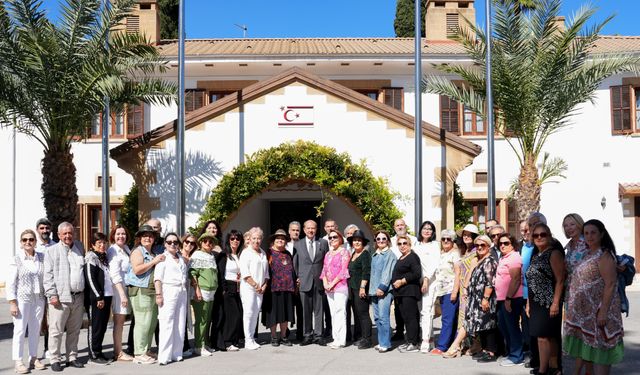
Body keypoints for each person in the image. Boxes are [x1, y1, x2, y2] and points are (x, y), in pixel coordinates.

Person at [564, 220, 624, 375]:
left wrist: (603, 312)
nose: (589, 236)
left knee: (601, 354)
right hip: (587, 315)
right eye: (586, 233)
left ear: (601, 234)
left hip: (599, 312)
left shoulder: (604, 255)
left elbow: (610, 284)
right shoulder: (588, 253)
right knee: (590, 351)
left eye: (593, 232)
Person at [43, 222, 86, 372]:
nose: (68, 236)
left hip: (78, 297)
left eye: (70, 233)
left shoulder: (80, 247)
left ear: (74, 234)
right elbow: (47, 276)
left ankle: (72, 357)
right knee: (56, 331)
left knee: (74, 330)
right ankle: (55, 359)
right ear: (59, 235)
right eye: (64, 233)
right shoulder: (51, 251)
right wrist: (52, 294)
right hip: (60, 298)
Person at [526, 223, 565, 375]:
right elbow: (532, 281)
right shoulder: (536, 255)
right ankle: (554, 369)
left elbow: (560, 279)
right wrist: (529, 303)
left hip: (549, 301)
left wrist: (556, 303)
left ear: (549, 236)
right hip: (536, 302)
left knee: (543, 337)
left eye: (543, 234)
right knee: (548, 337)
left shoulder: (554, 253)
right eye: (536, 235)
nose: (539, 238)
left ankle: (543, 370)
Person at [125, 224, 166, 365]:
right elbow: (137, 270)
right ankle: (139, 353)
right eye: (144, 236)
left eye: (150, 235)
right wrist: (154, 261)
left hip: (151, 291)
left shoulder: (153, 252)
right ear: (139, 238)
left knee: (151, 322)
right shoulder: (138, 251)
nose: (147, 238)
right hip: (140, 290)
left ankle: (146, 350)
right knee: (142, 322)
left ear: (154, 238)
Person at [8, 229, 46, 374]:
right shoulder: (16, 259)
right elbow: (11, 282)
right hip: (22, 298)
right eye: (25, 240)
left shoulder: (42, 257)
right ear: (21, 243)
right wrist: (12, 302)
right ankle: (18, 361)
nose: (28, 242)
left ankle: (33, 357)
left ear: (35, 242)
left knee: (35, 329)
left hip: (38, 298)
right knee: (19, 330)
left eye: (31, 239)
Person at [443, 223, 479, 358]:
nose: (466, 237)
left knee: (466, 318)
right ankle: (471, 345)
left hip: (469, 289)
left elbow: (471, 271)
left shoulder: (476, 251)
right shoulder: (465, 251)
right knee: (466, 317)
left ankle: (456, 346)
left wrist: (465, 289)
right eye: (465, 235)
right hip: (463, 288)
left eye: (470, 235)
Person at [154, 233, 188, 366]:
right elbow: (157, 278)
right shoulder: (163, 258)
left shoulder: (181, 258)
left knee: (180, 323)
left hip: (181, 291)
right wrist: (159, 295)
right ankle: (164, 356)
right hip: (168, 290)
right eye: (169, 242)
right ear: (165, 244)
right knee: (167, 322)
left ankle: (176, 353)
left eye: (175, 242)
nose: (172, 244)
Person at [294, 220, 329, 346]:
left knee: (319, 310)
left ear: (316, 229)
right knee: (305, 310)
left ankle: (318, 335)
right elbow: (295, 263)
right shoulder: (298, 244)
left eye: (313, 228)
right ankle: (307, 335)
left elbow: (327, 262)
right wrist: (297, 277)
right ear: (304, 230)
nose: (310, 230)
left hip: (319, 281)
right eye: (308, 228)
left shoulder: (323, 243)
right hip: (304, 281)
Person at [465, 235, 499, 363]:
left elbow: (490, 282)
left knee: (488, 324)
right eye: (477, 245)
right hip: (477, 298)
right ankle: (485, 350)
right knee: (482, 325)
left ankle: (491, 351)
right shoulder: (479, 260)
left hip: (486, 298)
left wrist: (485, 298)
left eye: (482, 245)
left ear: (488, 246)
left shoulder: (489, 261)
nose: (479, 247)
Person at [495, 233, 524, 367]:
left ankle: (516, 356)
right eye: (500, 243)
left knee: (512, 328)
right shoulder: (504, 257)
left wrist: (508, 298)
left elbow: (516, 279)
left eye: (506, 243)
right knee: (504, 327)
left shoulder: (514, 257)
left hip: (511, 298)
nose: (502, 245)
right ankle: (512, 353)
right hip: (502, 298)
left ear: (512, 244)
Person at [85, 232, 113, 365]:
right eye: (99, 243)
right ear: (93, 245)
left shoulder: (103, 257)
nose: (102, 245)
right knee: (95, 327)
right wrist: (98, 297)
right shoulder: (91, 258)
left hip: (107, 296)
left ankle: (99, 351)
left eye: (104, 242)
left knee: (102, 326)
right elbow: (91, 279)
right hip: (97, 298)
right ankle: (93, 355)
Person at [239, 227, 270, 350]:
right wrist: (256, 286)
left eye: (258, 238)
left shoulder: (262, 252)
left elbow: (266, 273)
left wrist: (264, 285)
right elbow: (245, 273)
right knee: (248, 313)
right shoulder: (246, 253)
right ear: (250, 239)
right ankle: (248, 340)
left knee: (255, 313)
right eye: (254, 238)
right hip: (249, 288)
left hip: (260, 289)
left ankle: (252, 338)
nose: (256, 241)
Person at [189, 232, 219, 356]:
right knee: (201, 320)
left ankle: (205, 343)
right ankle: (198, 346)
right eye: (205, 241)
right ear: (200, 243)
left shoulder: (211, 256)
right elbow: (192, 274)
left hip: (211, 292)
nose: (208, 243)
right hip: (202, 291)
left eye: (211, 241)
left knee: (207, 320)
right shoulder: (197, 255)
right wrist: (197, 290)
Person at [265, 229, 296, 347]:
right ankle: (273, 336)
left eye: (282, 239)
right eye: (278, 238)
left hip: (288, 289)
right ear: (273, 240)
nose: (280, 240)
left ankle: (283, 336)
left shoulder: (288, 254)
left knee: (286, 314)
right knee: (274, 314)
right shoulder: (269, 253)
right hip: (273, 289)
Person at [107, 225, 134, 362]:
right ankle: (118, 352)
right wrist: (122, 294)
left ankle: (119, 350)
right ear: (113, 235)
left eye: (123, 234)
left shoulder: (126, 249)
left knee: (122, 321)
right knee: (119, 321)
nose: (121, 236)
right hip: (118, 290)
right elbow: (114, 274)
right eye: (118, 234)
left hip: (126, 287)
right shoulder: (113, 250)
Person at [392, 234, 422, 353]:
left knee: (411, 318)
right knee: (405, 318)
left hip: (409, 292)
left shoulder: (413, 257)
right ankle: (409, 340)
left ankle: (414, 342)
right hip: (401, 293)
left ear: (410, 245)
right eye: (400, 244)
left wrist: (402, 281)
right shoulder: (401, 258)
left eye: (405, 243)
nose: (402, 246)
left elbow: (416, 273)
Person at [320, 230, 350, 349]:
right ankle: (335, 338)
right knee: (333, 313)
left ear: (340, 239)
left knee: (340, 312)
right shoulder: (328, 254)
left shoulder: (344, 252)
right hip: (329, 288)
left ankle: (341, 340)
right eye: (330, 238)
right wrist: (325, 283)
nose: (332, 239)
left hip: (340, 287)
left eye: (335, 237)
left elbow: (344, 271)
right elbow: (324, 270)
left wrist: (332, 283)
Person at [431, 229, 460, 355]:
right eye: (443, 239)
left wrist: (454, 291)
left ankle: (442, 346)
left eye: (449, 239)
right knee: (450, 318)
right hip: (442, 291)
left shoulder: (455, 254)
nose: (446, 241)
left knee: (447, 319)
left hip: (450, 290)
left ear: (453, 241)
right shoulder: (442, 254)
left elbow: (458, 273)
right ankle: (450, 344)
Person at [414, 220, 440, 353]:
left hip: (430, 282)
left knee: (427, 310)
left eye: (430, 229)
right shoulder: (416, 245)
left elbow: (435, 264)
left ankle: (425, 340)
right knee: (422, 312)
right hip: (417, 282)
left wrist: (426, 280)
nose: (427, 231)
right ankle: (430, 338)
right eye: (425, 228)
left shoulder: (435, 245)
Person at [368, 230, 397, 353]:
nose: (381, 241)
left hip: (384, 290)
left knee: (383, 317)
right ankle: (381, 342)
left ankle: (385, 343)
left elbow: (388, 273)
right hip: (374, 290)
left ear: (388, 241)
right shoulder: (375, 255)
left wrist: (382, 287)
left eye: (383, 239)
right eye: (378, 239)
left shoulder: (389, 254)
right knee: (377, 317)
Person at [390, 218, 417, 341]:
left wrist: (403, 281)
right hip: (397, 286)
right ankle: (400, 332)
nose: (400, 227)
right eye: (397, 225)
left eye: (402, 225)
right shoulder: (391, 241)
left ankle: (413, 339)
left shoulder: (414, 241)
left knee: (411, 314)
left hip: (408, 286)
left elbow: (416, 270)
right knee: (399, 311)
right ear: (394, 228)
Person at [218, 230, 244, 351]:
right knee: (232, 316)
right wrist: (224, 289)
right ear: (228, 240)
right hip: (227, 287)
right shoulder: (224, 255)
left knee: (238, 315)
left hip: (237, 287)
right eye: (232, 238)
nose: (235, 241)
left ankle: (234, 340)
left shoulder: (238, 255)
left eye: (237, 239)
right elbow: (221, 273)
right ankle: (227, 342)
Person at [347, 230, 372, 349]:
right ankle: (361, 336)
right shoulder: (353, 254)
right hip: (352, 288)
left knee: (363, 313)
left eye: (359, 240)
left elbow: (366, 272)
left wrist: (363, 287)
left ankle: (367, 339)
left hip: (360, 288)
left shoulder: (365, 254)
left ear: (362, 242)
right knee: (357, 313)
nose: (356, 242)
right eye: (354, 240)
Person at [34, 218, 55, 360]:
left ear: (51, 229)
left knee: (50, 321)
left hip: (51, 288)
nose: (45, 231)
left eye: (47, 228)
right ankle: (33, 351)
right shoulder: (34, 247)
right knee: (37, 320)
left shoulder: (55, 246)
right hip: (36, 289)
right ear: (37, 230)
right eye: (42, 228)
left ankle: (48, 348)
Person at [285, 221, 304, 342]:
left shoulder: (303, 245)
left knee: (300, 308)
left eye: (297, 230)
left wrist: (300, 277)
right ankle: (285, 331)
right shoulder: (284, 245)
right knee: (287, 307)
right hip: (287, 282)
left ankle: (300, 332)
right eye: (293, 230)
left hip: (300, 280)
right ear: (289, 231)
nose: (295, 232)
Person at [180, 233, 198, 357]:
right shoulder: (178, 255)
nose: (189, 245)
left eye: (192, 243)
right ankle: (182, 347)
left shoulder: (192, 258)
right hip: (178, 290)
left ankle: (185, 345)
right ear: (182, 242)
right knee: (180, 318)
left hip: (188, 291)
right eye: (187, 242)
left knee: (186, 318)